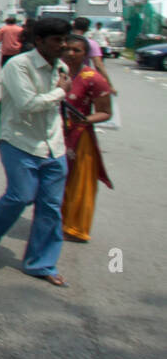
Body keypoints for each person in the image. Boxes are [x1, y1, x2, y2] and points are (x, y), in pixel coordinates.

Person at [0, 15, 73, 287]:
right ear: (39, 41)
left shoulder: (60, 67)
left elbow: (54, 108)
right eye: (57, 40)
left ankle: (41, 263)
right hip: (20, 140)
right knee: (21, 195)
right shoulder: (19, 66)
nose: (62, 45)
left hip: (53, 144)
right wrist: (60, 93)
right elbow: (28, 103)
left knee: (51, 207)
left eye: (65, 40)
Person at [59, 36, 112, 242]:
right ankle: (53, 221)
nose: (70, 54)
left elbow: (105, 112)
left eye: (77, 50)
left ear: (85, 54)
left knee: (78, 183)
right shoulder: (55, 72)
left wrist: (83, 120)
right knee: (54, 180)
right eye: (67, 49)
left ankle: (75, 227)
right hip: (52, 133)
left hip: (79, 137)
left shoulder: (93, 78)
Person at [72, 17, 115, 93]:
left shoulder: (63, 41)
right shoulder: (90, 43)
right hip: (82, 80)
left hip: (62, 79)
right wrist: (109, 85)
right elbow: (98, 66)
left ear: (73, 26)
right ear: (87, 29)